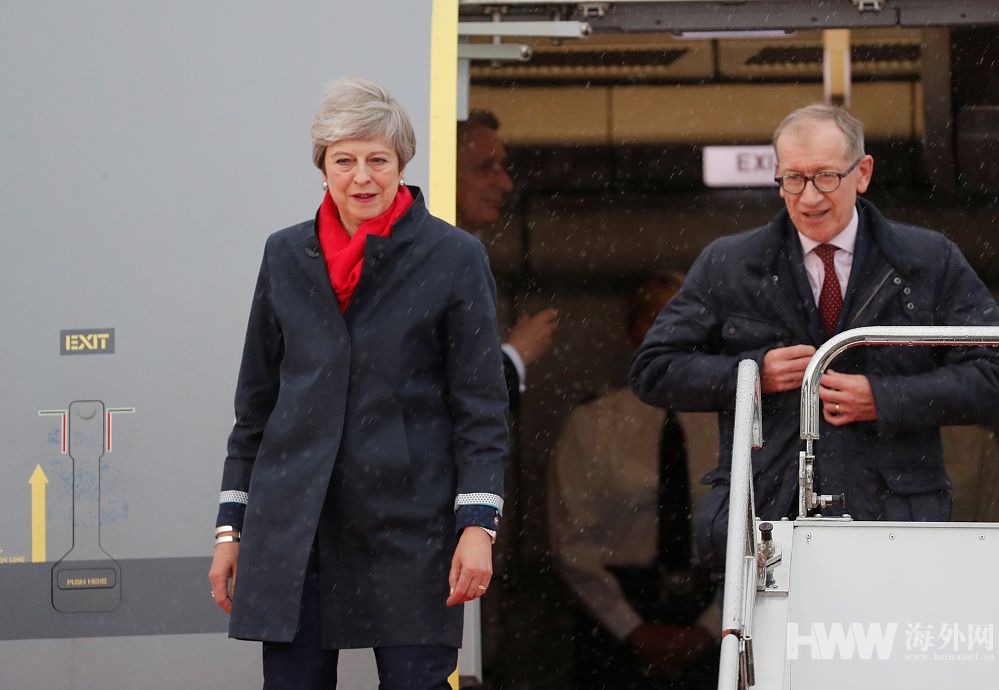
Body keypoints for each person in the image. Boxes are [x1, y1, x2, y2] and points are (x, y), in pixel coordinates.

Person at [207, 77, 508, 690]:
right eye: (345, 161)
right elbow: (256, 406)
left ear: (402, 165)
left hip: (410, 527)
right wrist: (230, 530)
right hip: (295, 526)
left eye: (379, 160)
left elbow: (480, 407)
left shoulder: (453, 256)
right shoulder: (284, 254)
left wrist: (478, 527)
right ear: (323, 167)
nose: (362, 177)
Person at [629, 103, 999, 567]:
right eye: (793, 179)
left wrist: (884, 398)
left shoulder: (928, 258)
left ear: (863, 173)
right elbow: (654, 369)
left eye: (826, 177)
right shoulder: (728, 263)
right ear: (777, 176)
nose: (809, 197)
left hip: (895, 528)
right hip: (768, 528)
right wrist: (753, 374)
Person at [549, 272, 720, 689]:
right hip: (613, 612)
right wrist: (631, 628)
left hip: (713, 605)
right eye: (655, 321)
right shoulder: (593, 423)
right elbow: (572, 541)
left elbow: (757, 531)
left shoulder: (730, 422)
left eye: (684, 322)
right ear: (632, 335)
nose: (670, 334)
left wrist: (710, 628)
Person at [456, 109, 558, 410]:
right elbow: (451, 399)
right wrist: (516, 354)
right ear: (442, 168)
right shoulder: (421, 262)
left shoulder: (463, 258)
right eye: (484, 167)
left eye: (501, 167)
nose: (505, 183)